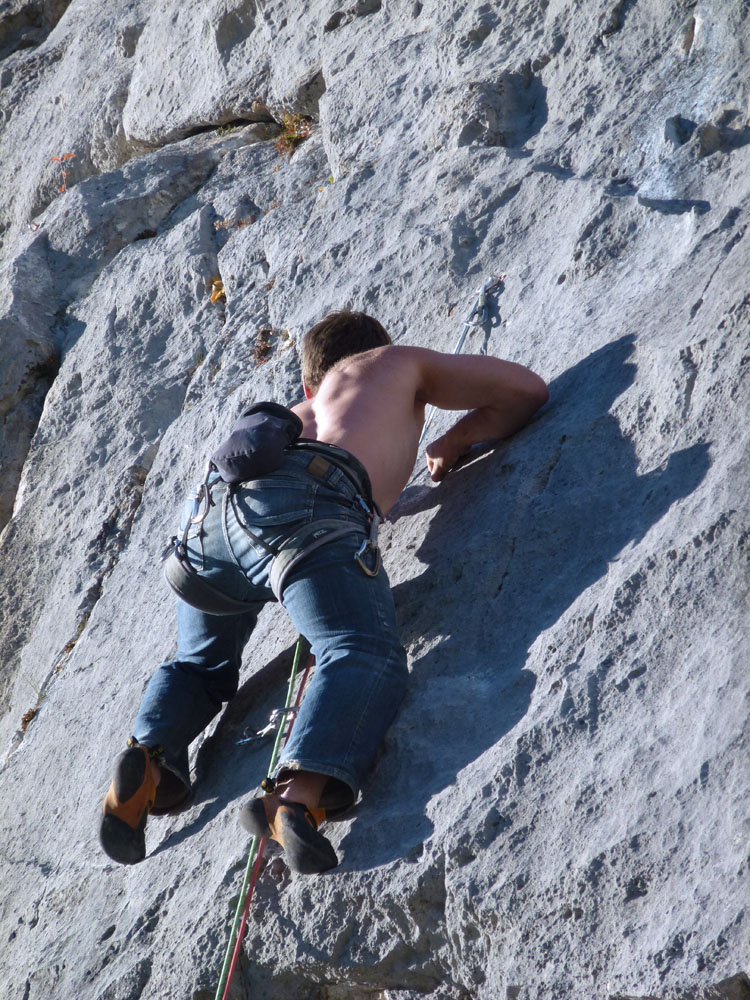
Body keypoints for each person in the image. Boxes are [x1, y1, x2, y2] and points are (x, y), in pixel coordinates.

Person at [100, 311, 548, 873]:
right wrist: (454, 439)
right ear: (371, 352)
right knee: (362, 650)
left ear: (308, 383)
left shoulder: (287, 417)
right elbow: (526, 391)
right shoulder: (390, 362)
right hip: (307, 507)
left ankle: (152, 756)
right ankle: (297, 797)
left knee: (198, 663)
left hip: (207, 531)